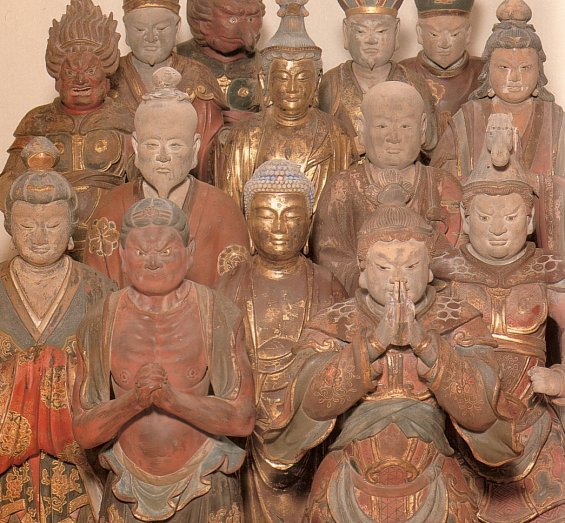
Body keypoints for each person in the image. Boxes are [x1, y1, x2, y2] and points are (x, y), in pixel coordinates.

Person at [263, 186, 518, 522]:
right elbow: (312, 405)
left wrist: (426, 344)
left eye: (411, 265)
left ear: (429, 270)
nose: (398, 277)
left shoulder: (458, 320)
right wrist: (373, 343)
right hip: (348, 475)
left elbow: (482, 414)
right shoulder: (334, 323)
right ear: (363, 273)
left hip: (433, 474)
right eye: (383, 268)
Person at [73, 197, 255, 521]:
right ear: (122, 256)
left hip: (205, 476)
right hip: (126, 484)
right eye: (141, 252)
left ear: (190, 252)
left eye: (167, 251)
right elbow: (85, 431)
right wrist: (134, 402)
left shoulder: (217, 313)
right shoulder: (101, 320)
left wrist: (171, 400)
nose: (153, 262)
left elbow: (242, 419)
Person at [432, 121, 565, 522]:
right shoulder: (446, 275)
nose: (497, 229)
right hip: (461, 417)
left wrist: (561, 378)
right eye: (485, 217)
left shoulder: (549, 272)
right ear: (466, 219)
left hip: (533, 415)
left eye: (510, 218)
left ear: (528, 222)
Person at [216, 159, 347, 523]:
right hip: (247, 428)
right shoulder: (228, 285)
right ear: (246, 222)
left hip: (311, 427)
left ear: (308, 224)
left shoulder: (328, 284)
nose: (278, 227)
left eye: (291, 216)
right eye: (265, 214)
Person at [0, 137, 116, 522]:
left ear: (71, 226)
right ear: (8, 226)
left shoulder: (100, 290)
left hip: (79, 472)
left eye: (51, 225)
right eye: (26, 225)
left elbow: (115, 379)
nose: (39, 236)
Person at [84, 67, 249, 288]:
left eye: (175, 145)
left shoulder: (222, 211)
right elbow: (98, 296)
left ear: (195, 148)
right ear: (135, 146)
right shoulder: (111, 209)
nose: (162, 157)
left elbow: (234, 298)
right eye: (152, 145)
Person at [0, 0, 133, 261]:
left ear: (106, 76)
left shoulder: (126, 118)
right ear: (58, 78)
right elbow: (8, 182)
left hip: (114, 242)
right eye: (71, 71)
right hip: (46, 241)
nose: (80, 79)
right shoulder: (38, 121)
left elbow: (142, 185)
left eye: (90, 70)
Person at [431, 0, 565, 253]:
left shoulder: (555, 120)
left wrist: (536, 183)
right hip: (480, 240)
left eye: (525, 68)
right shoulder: (467, 119)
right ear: (487, 72)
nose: (514, 78)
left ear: (540, 72)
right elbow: (441, 183)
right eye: (503, 68)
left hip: (539, 245)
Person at [313, 81, 460, 295]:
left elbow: (457, 258)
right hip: (363, 304)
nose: (393, 137)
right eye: (382, 126)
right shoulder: (343, 187)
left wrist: (418, 282)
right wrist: (377, 285)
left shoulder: (443, 186)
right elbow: (331, 260)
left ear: (423, 128)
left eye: (404, 126)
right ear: (362, 129)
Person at [218, 0, 354, 212]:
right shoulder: (246, 136)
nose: (292, 88)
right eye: (282, 77)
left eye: (302, 78)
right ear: (265, 80)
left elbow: (344, 210)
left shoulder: (336, 135)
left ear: (317, 81)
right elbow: (231, 209)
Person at [112, 0, 227, 183]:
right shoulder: (109, 78)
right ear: (126, 30)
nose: (151, 38)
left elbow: (209, 151)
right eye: (140, 29)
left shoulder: (197, 76)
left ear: (177, 28)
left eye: (162, 28)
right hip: (123, 190)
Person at [320, 0, 437, 156]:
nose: (371, 41)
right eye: (361, 31)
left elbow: (431, 148)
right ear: (346, 32)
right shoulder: (332, 83)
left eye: (381, 31)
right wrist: (348, 148)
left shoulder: (413, 83)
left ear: (396, 31)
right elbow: (317, 147)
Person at [399, 0, 482, 136]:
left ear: (468, 34)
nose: (444, 44)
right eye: (434, 34)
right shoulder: (402, 72)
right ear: (419, 33)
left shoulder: (484, 72)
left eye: (454, 34)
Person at [177, 0, 266, 123]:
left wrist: (255, 122)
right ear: (202, 22)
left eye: (251, 19)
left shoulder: (266, 64)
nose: (246, 32)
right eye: (232, 19)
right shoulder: (176, 60)